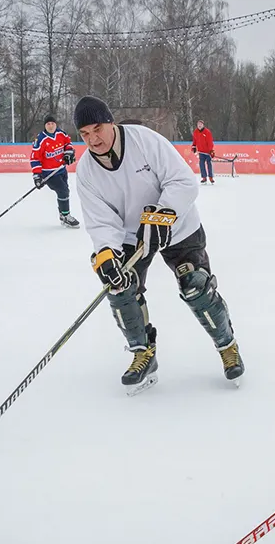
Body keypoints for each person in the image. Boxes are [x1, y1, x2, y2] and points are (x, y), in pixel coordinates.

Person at [72, 95, 244, 395]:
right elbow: (100, 220)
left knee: (195, 285)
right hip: (129, 237)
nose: (93, 138)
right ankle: (143, 353)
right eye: (85, 134)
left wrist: (161, 217)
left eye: (97, 128)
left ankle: (227, 345)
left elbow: (183, 181)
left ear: (110, 122)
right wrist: (106, 252)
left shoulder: (144, 141)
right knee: (120, 287)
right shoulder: (86, 170)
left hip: (178, 228)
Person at [30, 114, 79, 228]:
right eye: (48, 124)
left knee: (64, 192)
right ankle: (66, 216)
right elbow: (35, 158)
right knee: (63, 191)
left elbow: (68, 143)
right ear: (45, 126)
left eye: (52, 123)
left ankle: (62, 214)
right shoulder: (41, 139)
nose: (51, 126)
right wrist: (37, 175)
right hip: (49, 173)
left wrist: (68, 152)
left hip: (61, 170)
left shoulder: (61, 134)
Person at [191, 118, 215, 185]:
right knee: (201, 164)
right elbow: (194, 141)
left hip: (208, 152)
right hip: (201, 152)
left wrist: (211, 150)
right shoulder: (195, 132)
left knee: (209, 164)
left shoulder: (207, 132)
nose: (199, 125)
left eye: (201, 124)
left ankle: (211, 177)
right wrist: (194, 147)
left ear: (203, 125)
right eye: (198, 124)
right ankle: (204, 177)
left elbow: (210, 142)